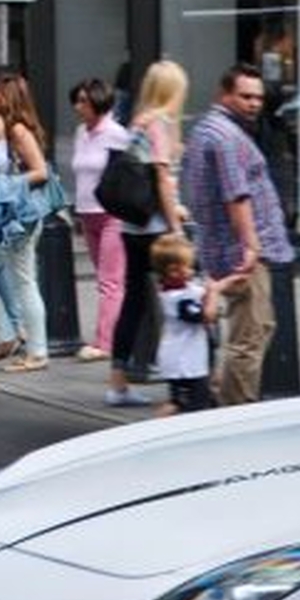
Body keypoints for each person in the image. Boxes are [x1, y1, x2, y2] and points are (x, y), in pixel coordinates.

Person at [179, 62, 294, 405]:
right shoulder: (227, 137)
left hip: (223, 246)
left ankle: (221, 395)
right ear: (224, 94)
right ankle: (235, 413)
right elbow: (236, 194)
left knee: (257, 329)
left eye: (258, 97)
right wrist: (251, 245)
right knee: (249, 337)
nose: (254, 103)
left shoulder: (207, 130)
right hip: (242, 252)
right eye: (245, 96)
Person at [108, 58, 190, 405]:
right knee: (176, 300)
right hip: (156, 229)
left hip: (132, 226)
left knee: (134, 303)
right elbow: (162, 177)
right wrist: (176, 226)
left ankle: (118, 384)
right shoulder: (160, 124)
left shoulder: (137, 122)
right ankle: (183, 381)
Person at [0, 72, 53, 373]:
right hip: (4, 217)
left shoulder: (18, 130)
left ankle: (36, 351)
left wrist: (7, 184)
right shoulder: (6, 129)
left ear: (7, 97)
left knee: (23, 281)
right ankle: (9, 336)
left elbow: (41, 172)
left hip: (18, 218)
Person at [68, 77, 135, 364]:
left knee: (110, 281)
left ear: (98, 102)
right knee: (105, 280)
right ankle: (121, 333)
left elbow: (130, 172)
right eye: (77, 100)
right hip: (86, 214)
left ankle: (104, 342)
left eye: (83, 100)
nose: (77, 106)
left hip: (111, 216)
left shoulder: (116, 133)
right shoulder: (80, 132)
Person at [148, 231, 216, 415]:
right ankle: (159, 427)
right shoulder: (178, 298)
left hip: (185, 360)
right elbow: (207, 316)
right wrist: (214, 294)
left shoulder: (179, 287)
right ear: (173, 271)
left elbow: (201, 290)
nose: (192, 271)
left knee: (187, 402)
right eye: (188, 267)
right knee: (190, 405)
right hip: (185, 364)